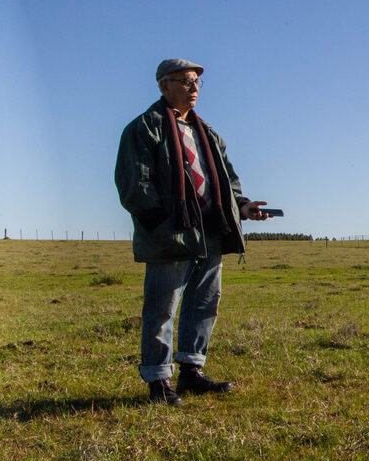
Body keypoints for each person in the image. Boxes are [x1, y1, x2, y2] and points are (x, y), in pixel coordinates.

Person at [115, 58, 270, 406]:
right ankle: (158, 381)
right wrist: (163, 225)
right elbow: (134, 186)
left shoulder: (208, 132)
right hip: (172, 234)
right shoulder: (143, 128)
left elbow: (227, 180)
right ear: (163, 85)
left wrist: (242, 207)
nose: (194, 88)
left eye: (197, 82)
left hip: (211, 231)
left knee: (204, 303)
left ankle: (191, 372)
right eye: (185, 81)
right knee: (162, 308)